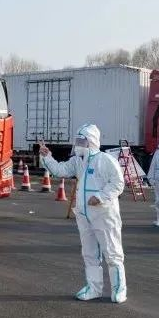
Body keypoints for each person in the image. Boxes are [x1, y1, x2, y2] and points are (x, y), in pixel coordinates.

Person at [41, 124, 127, 303]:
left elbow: (118, 183)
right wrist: (47, 156)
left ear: (91, 141)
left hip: (104, 214)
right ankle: (94, 288)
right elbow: (60, 170)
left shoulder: (105, 160)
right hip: (84, 215)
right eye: (77, 141)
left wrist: (101, 197)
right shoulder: (78, 161)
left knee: (112, 252)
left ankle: (119, 289)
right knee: (89, 253)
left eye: (82, 141)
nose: (78, 144)